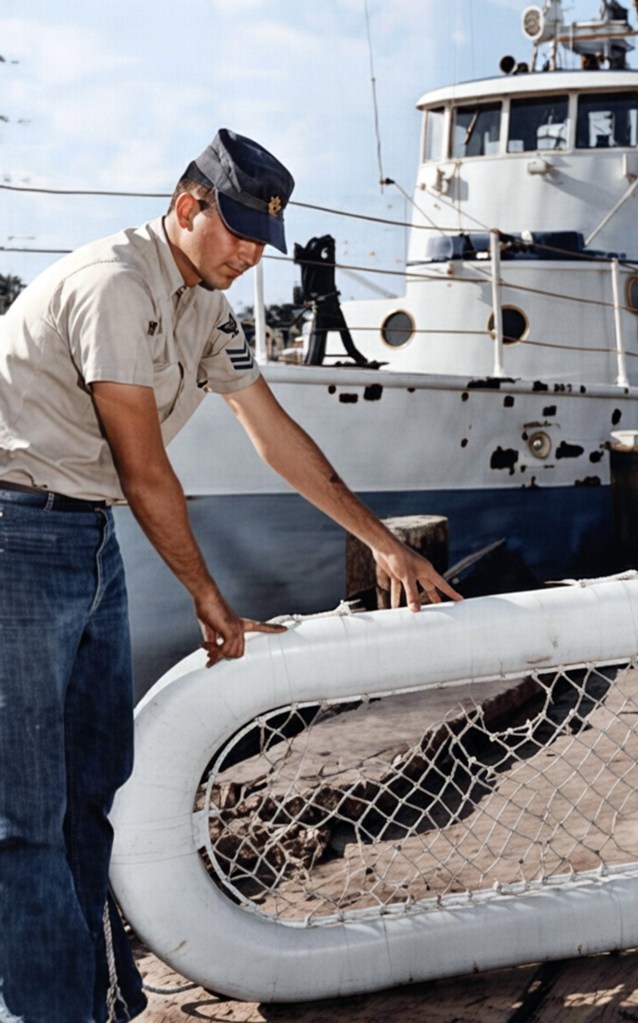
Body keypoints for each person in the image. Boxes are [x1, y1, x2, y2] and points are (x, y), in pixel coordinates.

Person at [0, 128, 461, 1023]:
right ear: (187, 208)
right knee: (21, 816)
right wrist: (209, 597)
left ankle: (95, 998)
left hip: (84, 537)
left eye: (263, 239)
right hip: (14, 535)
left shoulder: (205, 305)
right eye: (239, 232)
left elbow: (273, 432)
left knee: (93, 792)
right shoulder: (114, 285)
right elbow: (145, 471)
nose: (252, 255)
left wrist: (382, 543)